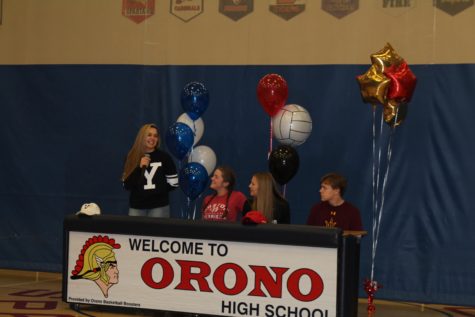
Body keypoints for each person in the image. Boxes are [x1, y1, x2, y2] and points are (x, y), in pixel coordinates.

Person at [122, 123, 178, 217]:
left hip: (159, 207)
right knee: (135, 232)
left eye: (155, 136)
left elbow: (174, 184)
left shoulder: (164, 158)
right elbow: (127, 185)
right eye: (149, 135)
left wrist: (157, 193)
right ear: (141, 137)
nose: (152, 138)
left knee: (158, 232)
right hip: (137, 207)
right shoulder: (132, 157)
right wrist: (139, 168)